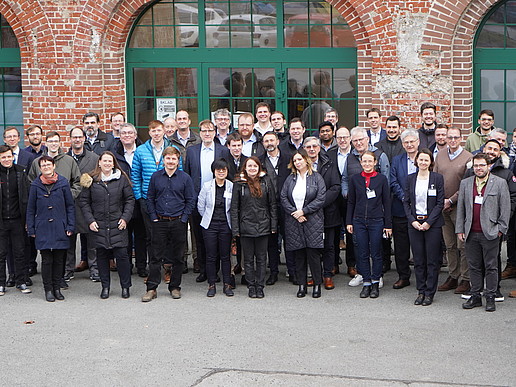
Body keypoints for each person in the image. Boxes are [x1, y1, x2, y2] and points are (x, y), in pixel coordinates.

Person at [457, 153, 510, 312]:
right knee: (474, 266)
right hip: (471, 232)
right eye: (476, 165)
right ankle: (475, 295)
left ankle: (491, 296)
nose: (478, 168)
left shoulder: (499, 183)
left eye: (482, 165)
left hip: (491, 232)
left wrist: (501, 229)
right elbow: (461, 208)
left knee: (491, 266)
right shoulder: (466, 183)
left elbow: (505, 208)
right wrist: (460, 229)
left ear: (489, 166)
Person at [142, 146, 195, 302]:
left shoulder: (185, 178)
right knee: (155, 257)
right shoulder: (156, 177)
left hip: (178, 221)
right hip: (159, 221)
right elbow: (149, 198)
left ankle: (175, 286)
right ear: (163, 160)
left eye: (174, 159)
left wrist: (184, 218)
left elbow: (190, 200)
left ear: (178, 161)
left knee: (178, 257)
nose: (171, 161)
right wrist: (153, 216)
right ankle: (152, 288)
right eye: (168, 158)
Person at [79, 151, 135, 299]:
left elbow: (130, 200)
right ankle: (105, 287)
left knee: (122, 257)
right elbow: (84, 202)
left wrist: (125, 218)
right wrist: (90, 220)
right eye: (105, 161)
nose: (107, 164)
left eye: (110, 161)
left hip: (118, 225)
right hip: (99, 225)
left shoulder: (121, 179)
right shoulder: (91, 180)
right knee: (102, 257)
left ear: (114, 163)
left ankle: (125, 286)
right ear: (99, 162)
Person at [185, 119, 231, 283]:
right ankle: (204, 270)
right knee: (201, 237)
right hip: (198, 200)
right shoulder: (191, 151)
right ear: (200, 133)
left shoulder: (223, 150)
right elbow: (188, 176)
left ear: (215, 132)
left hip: (218, 200)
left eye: (210, 130)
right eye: (203, 131)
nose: (207, 133)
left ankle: (217, 271)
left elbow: (228, 173)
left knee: (219, 238)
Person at [27, 156, 75, 302]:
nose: (46, 167)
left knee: (59, 259)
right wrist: (31, 228)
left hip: (60, 226)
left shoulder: (63, 183)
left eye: (48, 164)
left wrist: (70, 225)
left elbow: (70, 206)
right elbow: (30, 209)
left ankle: (57, 288)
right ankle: (48, 289)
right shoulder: (35, 185)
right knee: (47, 260)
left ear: (54, 166)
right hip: (43, 227)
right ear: (40, 168)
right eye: (43, 165)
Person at [281, 149, 326, 298]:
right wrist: (295, 212)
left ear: (306, 160)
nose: (297, 162)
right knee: (299, 255)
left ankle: (317, 285)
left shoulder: (316, 177)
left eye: (300, 159)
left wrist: (304, 211)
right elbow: (283, 198)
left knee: (313, 255)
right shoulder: (290, 178)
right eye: (295, 161)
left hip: (312, 220)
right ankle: (302, 285)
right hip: (294, 221)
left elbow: (320, 198)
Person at [346, 151, 392, 298]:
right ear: (360, 163)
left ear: (375, 162)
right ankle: (366, 282)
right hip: (359, 220)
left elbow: (387, 202)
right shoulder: (355, 179)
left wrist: (388, 224)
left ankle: (375, 281)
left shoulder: (381, 179)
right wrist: (349, 221)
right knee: (362, 252)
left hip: (376, 220)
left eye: (369, 161)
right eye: (364, 161)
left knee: (377, 252)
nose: (367, 164)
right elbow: (351, 201)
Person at [231, 156, 277, 298]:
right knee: (249, 259)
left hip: (264, 225)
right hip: (246, 226)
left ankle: (260, 286)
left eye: (255, 166)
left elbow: (273, 205)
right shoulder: (239, 183)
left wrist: (273, 225)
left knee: (262, 258)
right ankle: (251, 286)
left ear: (259, 168)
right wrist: (235, 229)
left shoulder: (266, 181)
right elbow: (234, 208)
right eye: (249, 166)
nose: (252, 169)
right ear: (245, 168)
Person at [403, 149, 445, 306]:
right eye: (421, 159)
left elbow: (440, 203)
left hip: (432, 224)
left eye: (426, 160)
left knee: (432, 260)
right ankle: (420, 290)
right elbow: (406, 202)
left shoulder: (437, 178)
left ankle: (429, 292)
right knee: (419, 260)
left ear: (430, 162)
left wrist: (429, 222)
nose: (423, 162)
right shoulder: (410, 179)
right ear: (417, 161)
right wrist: (412, 221)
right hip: (414, 224)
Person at [434, 127, 472, 294]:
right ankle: (453, 275)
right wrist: (441, 200)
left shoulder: (468, 158)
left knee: (462, 244)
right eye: (450, 137)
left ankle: (465, 278)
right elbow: (435, 178)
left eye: (456, 137)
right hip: (442, 206)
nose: (453, 140)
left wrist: (451, 200)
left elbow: (466, 184)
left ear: (461, 138)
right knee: (449, 244)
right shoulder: (440, 155)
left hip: (459, 206)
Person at [197, 159, 234, 297]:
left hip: (226, 225)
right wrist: (208, 217)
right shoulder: (207, 186)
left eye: (224, 169)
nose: (221, 172)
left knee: (225, 256)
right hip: (210, 225)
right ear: (214, 171)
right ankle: (211, 284)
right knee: (211, 256)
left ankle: (227, 284)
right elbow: (201, 206)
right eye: (218, 169)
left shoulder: (231, 186)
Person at [389, 130, 421, 289]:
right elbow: (393, 181)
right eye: (406, 142)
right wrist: (405, 197)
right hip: (400, 208)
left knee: (420, 246)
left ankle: (423, 276)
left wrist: (414, 200)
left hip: (421, 209)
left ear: (418, 142)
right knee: (401, 246)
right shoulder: (397, 160)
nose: (409, 145)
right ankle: (403, 276)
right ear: (402, 144)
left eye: (412, 141)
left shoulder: (424, 159)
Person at [0, 145, 31, 296]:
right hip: (1, 220)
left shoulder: (20, 172)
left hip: (18, 219)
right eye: (3, 157)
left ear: (13, 156)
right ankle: (1, 283)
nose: (6, 159)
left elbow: (27, 195)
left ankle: (21, 281)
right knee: (1, 253)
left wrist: (27, 219)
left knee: (20, 252)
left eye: (8, 156)